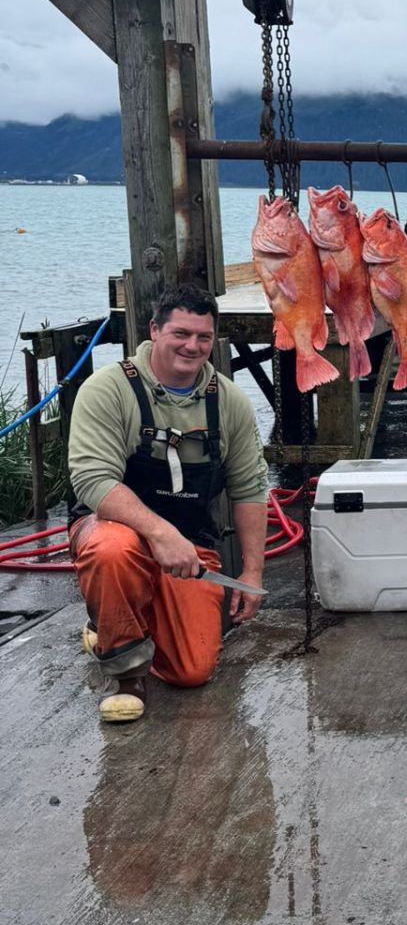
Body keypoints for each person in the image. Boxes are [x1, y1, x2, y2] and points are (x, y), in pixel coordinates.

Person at [67, 284, 269, 722]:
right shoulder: (108, 389)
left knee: (192, 670)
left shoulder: (229, 401)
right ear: (154, 330)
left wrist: (252, 569)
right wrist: (159, 534)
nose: (191, 346)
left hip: (191, 544)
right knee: (112, 550)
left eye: (202, 337)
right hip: (113, 529)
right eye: (180, 333)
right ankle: (126, 675)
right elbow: (92, 478)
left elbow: (250, 488)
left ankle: (114, 622)